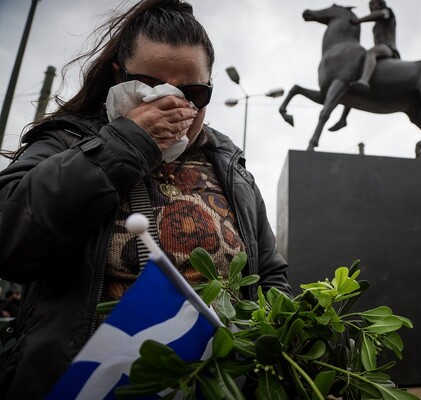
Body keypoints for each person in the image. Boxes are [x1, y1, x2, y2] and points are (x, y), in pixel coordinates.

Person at [0, 1, 291, 398]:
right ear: (119, 77)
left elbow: (271, 275)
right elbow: (9, 234)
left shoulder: (231, 168)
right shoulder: (69, 141)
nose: (173, 105)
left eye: (193, 92)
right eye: (151, 88)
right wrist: (128, 142)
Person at [349, 0, 401, 92]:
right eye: (370, 4)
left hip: (388, 48)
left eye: (373, 4)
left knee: (371, 52)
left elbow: (379, 14)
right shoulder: (376, 25)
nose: (370, 7)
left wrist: (357, 21)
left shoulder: (387, 12)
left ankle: (364, 80)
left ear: (381, 4)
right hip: (381, 49)